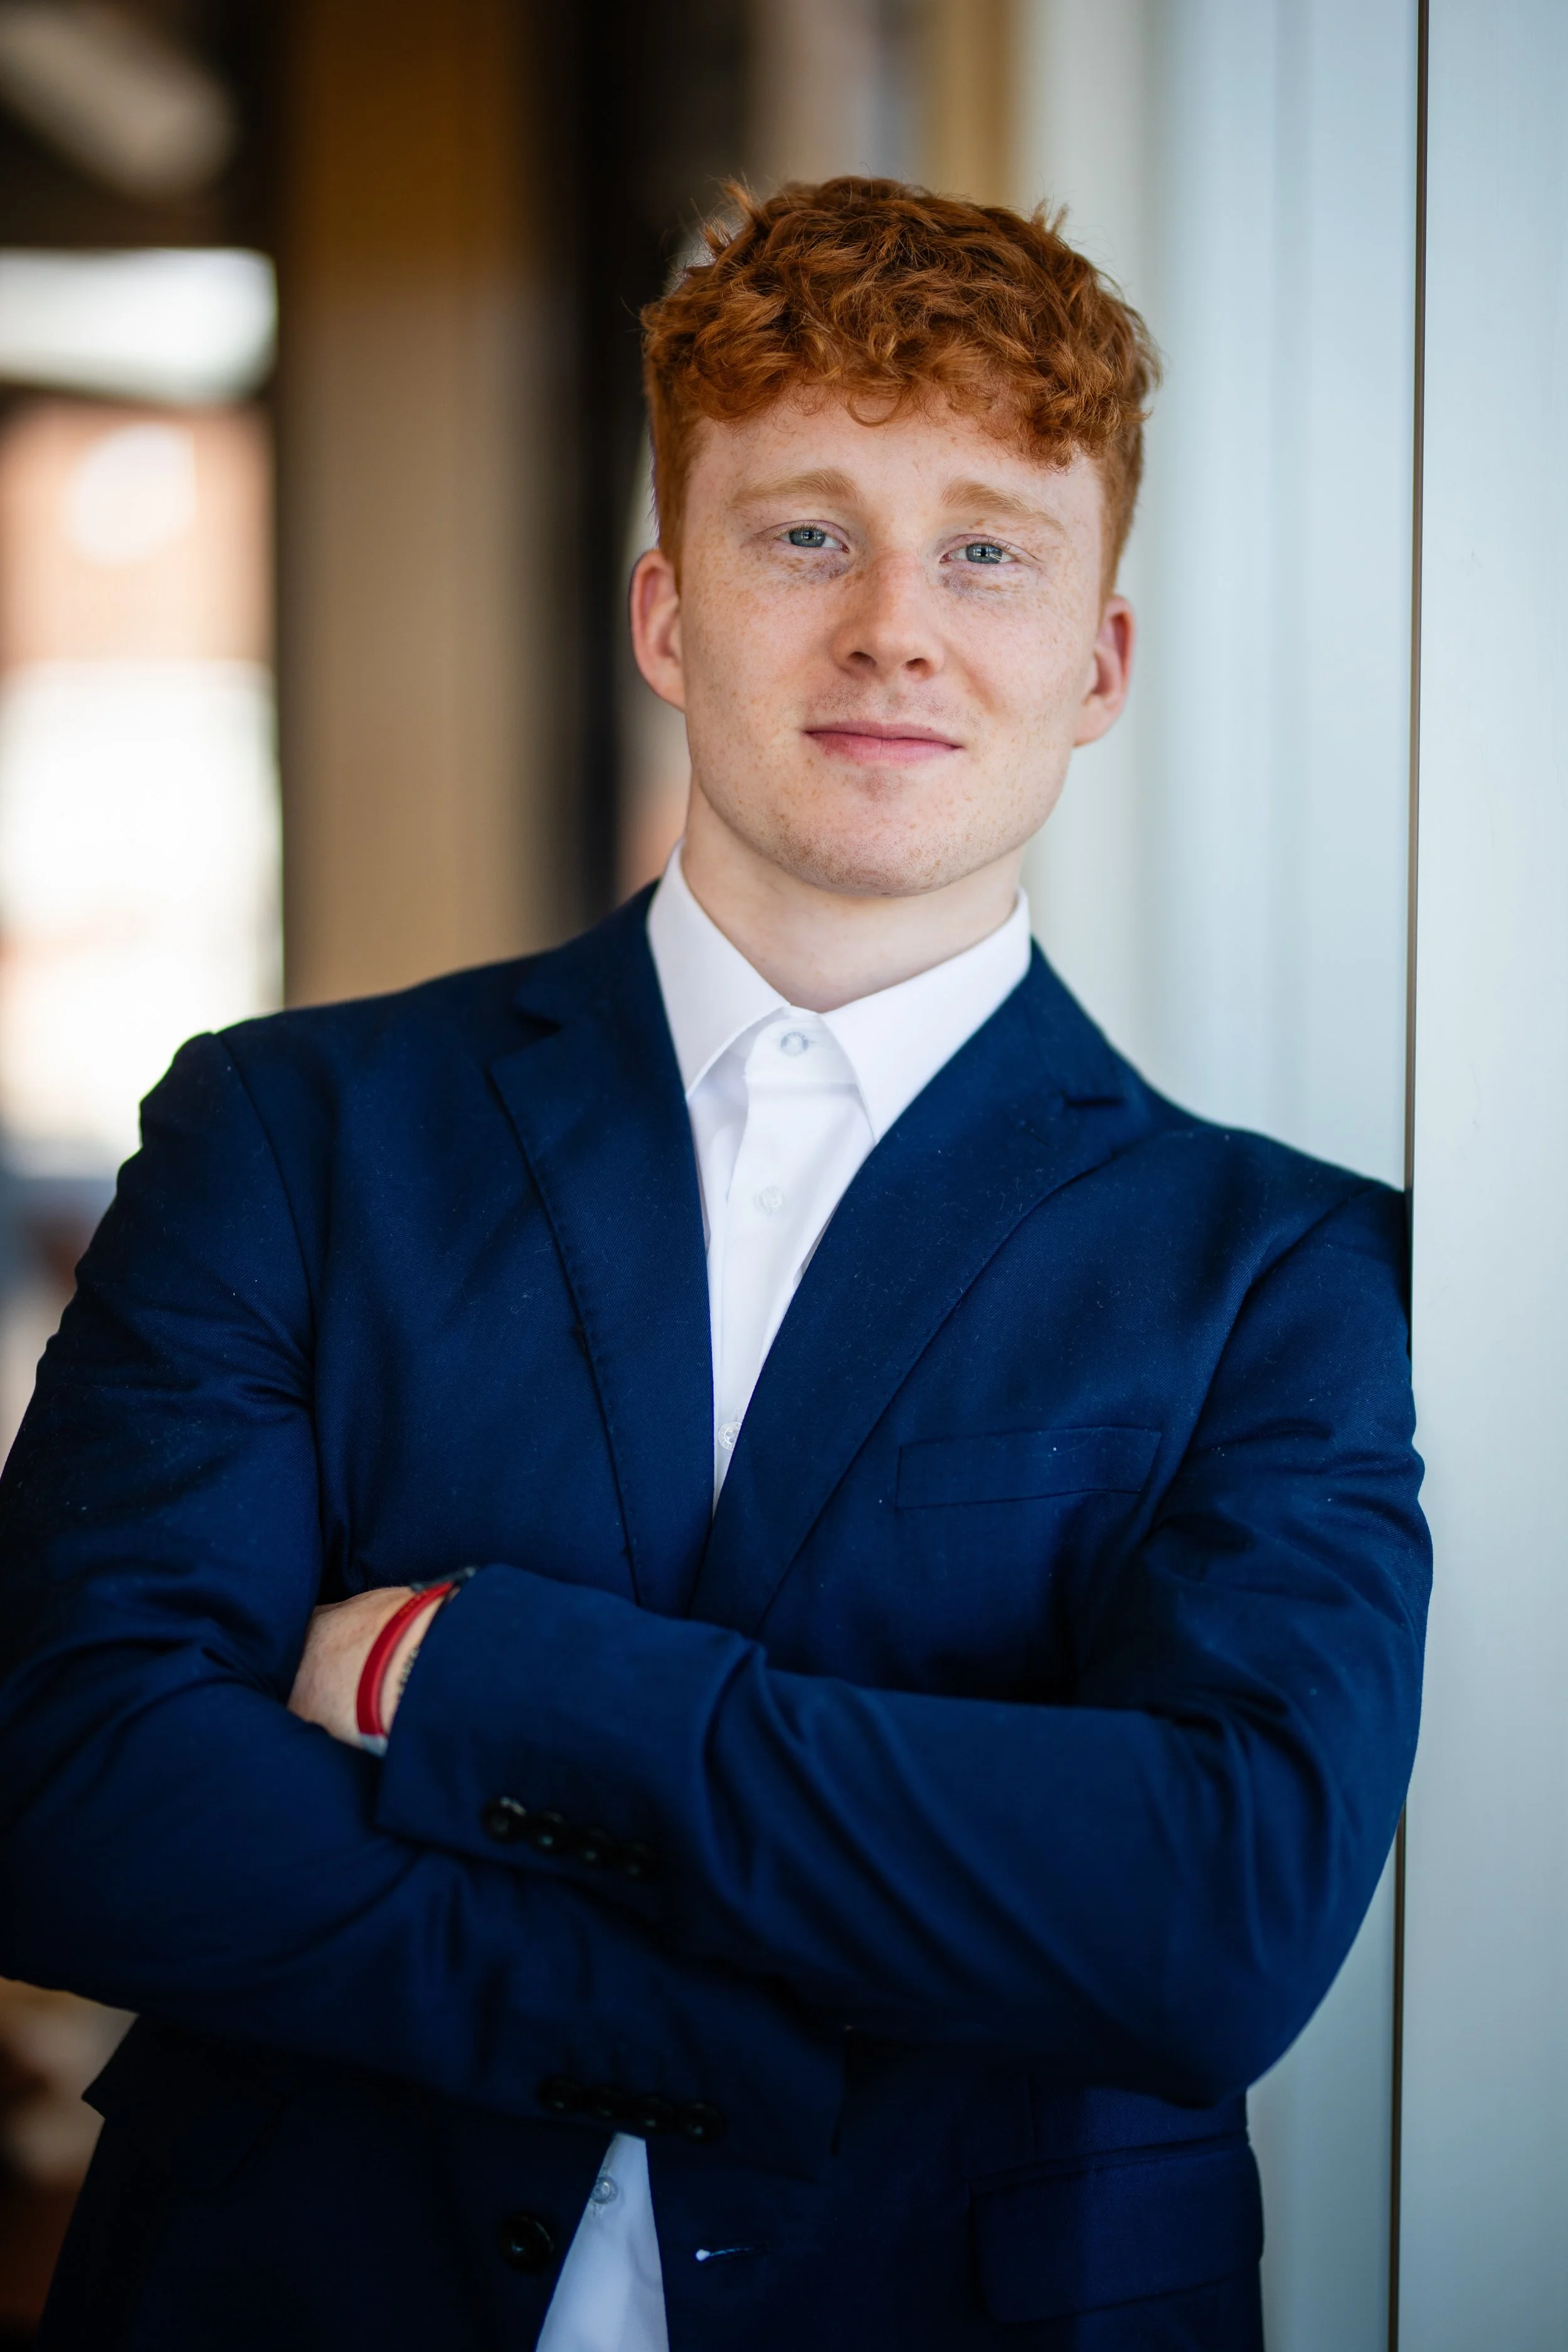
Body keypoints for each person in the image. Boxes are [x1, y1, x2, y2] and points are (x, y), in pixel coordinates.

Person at [0, 179, 1428, 2352]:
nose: (892, 627)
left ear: (1095, 658)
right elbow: (77, 1782)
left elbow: (1209, 1914)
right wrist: (724, 2027)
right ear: (666, 615)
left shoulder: (1280, 1267)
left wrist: (464, 1683)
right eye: (802, 534)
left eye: (984, 547)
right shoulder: (292, 1132)